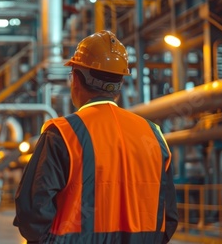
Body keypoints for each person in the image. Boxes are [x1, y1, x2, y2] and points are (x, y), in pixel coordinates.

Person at [14, 30, 178, 243]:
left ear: (76, 80)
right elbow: (169, 216)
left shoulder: (62, 133)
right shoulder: (154, 134)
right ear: (119, 84)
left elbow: (32, 213)